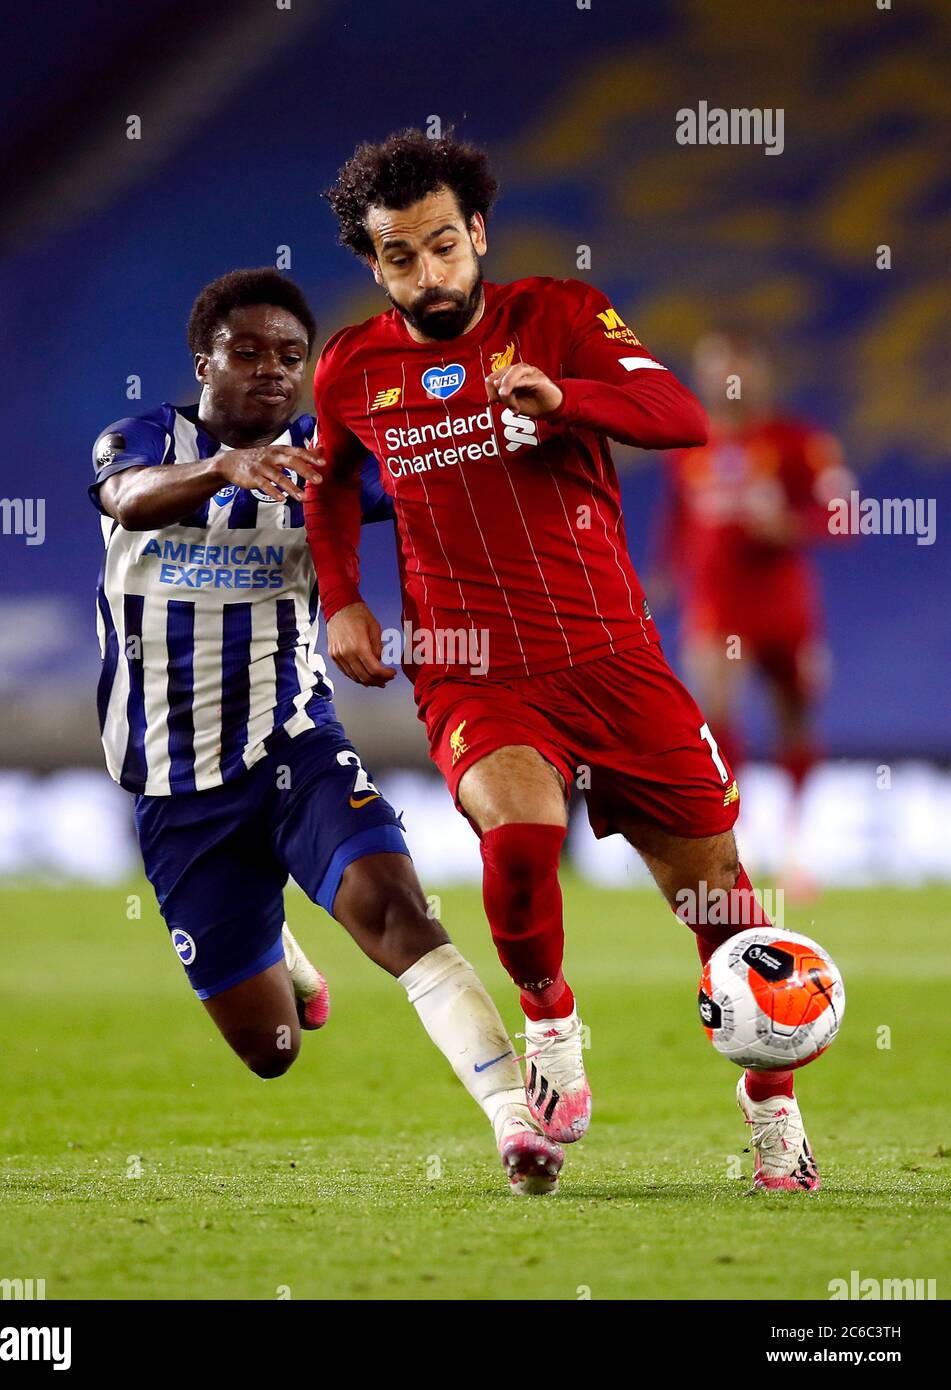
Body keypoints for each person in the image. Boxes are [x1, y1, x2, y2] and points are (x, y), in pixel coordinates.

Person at [304, 130, 821, 1189]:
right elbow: (324, 484)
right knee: (521, 832)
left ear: (476, 232)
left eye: (443, 245)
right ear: (373, 264)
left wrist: (567, 398)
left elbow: (677, 416)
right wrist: (343, 598)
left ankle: (769, 1102)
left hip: (611, 656)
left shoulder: (559, 315)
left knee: (718, 903)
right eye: (399, 256)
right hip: (473, 668)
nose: (427, 272)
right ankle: (549, 1024)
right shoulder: (351, 368)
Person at [89, 267, 562, 1197]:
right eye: (249, 352)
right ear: (204, 361)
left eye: (291, 357)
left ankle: (516, 1122)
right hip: (175, 787)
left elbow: (436, 481)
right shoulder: (142, 437)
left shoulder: (325, 455)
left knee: (399, 914)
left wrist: (529, 429)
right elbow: (128, 498)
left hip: (292, 744)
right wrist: (223, 468)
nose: (272, 371)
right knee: (271, 1051)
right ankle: (279, 944)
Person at [653, 330, 852, 888]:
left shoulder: (796, 442)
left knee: (796, 721)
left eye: (733, 369)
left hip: (785, 608)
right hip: (716, 608)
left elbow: (844, 513)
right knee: (717, 721)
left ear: (757, 374)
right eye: (712, 369)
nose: (723, 382)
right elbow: (679, 516)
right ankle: (738, 841)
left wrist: (792, 525)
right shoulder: (690, 446)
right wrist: (665, 572)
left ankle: (797, 847)